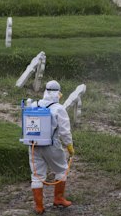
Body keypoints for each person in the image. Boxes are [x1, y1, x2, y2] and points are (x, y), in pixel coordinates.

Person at [29, 80, 74, 214]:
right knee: (62, 169)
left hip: (33, 145)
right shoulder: (59, 109)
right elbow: (65, 132)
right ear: (58, 93)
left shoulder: (33, 104)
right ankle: (58, 199)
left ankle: (39, 207)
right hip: (52, 145)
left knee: (37, 175)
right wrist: (69, 146)